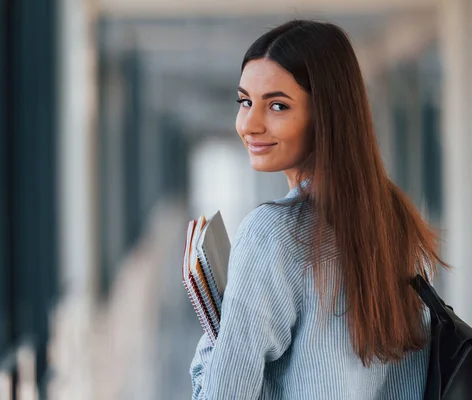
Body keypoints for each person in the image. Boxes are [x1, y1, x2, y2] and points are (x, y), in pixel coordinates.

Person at [189, 19, 448, 400]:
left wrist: (218, 329)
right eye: (245, 101)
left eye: (277, 105)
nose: (249, 124)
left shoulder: (271, 233)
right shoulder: (395, 218)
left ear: (326, 115)